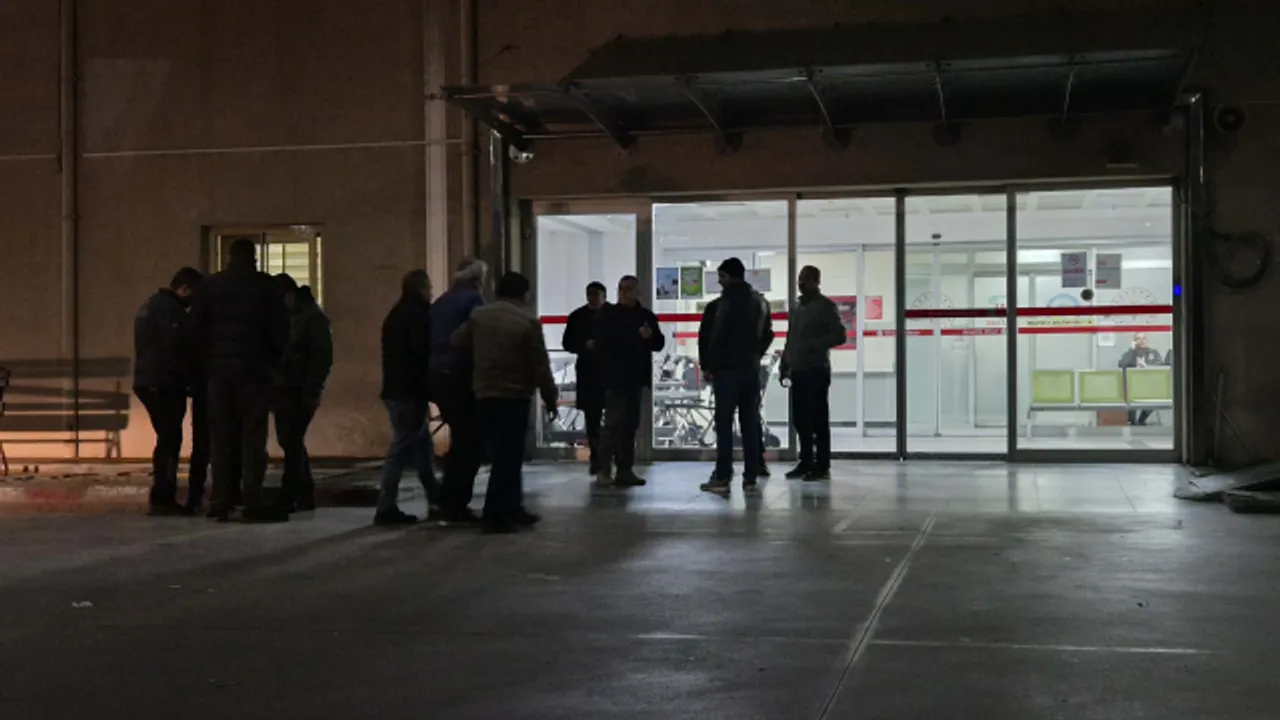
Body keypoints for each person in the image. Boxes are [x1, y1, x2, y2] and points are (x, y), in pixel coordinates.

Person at [189, 238, 290, 523]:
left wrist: (207, 364)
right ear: (253, 257)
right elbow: (281, 330)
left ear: (229, 256)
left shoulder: (210, 286)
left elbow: (195, 330)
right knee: (253, 437)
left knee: (221, 438)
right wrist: (272, 364)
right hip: (254, 371)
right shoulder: (266, 286)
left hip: (219, 373)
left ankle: (220, 501)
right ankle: (252, 499)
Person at [452, 271, 558, 534]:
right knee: (509, 457)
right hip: (514, 394)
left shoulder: (479, 316)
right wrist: (550, 398)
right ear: (524, 294)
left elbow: (457, 341)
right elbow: (540, 366)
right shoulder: (527, 322)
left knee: (501, 454)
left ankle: (512, 507)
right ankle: (497, 514)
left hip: (484, 392)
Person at [697, 258, 775, 495]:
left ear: (729, 276)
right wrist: (756, 355)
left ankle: (723, 475)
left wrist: (708, 366)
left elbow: (711, 338)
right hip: (750, 369)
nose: (720, 282)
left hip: (726, 370)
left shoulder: (719, 306)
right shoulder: (761, 302)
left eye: (721, 276)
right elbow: (768, 334)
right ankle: (750, 475)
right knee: (749, 423)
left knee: (724, 423)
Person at [374, 269, 443, 526]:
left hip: (396, 390)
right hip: (409, 392)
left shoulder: (396, 314)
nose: (431, 293)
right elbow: (421, 354)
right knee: (402, 448)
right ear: (420, 289)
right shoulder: (417, 316)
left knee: (422, 448)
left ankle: (435, 499)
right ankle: (386, 506)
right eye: (429, 288)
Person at [133, 267, 203, 516]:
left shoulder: (151, 304)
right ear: (184, 289)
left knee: (166, 437)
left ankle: (162, 496)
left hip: (148, 380)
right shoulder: (170, 310)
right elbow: (175, 348)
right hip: (164, 382)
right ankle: (163, 497)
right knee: (169, 439)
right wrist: (189, 377)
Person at [429, 257, 487, 526]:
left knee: (461, 438)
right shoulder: (473, 301)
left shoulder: (442, 302)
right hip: (459, 376)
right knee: (471, 442)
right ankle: (455, 504)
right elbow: (479, 336)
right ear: (477, 280)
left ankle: (447, 500)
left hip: (437, 377)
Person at [595, 275, 665, 488]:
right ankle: (604, 469)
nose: (623, 293)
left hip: (635, 378)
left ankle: (625, 469)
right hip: (615, 378)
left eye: (628, 289)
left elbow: (659, 343)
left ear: (637, 292)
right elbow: (602, 343)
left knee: (630, 426)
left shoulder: (645, 317)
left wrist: (648, 337)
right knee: (612, 425)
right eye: (621, 289)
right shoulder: (609, 315)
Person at [271, 276, 333, 513]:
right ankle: (304, 494)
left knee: (292, 440)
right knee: (291, 441)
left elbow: (321, 357)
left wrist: (312, 389)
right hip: (288, 387)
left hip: (297, 388)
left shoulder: (311, 317)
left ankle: (290, 496)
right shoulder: (298, 316)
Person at [779, 265, 846, 481]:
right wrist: (785, 363)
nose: (801, 283)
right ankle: (806, 460)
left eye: (806, 279)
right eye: (800, 278)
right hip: (797, 369)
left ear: (817, 281)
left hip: (816, 369)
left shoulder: (826, 306)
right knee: (800, 419)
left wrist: (813, 346)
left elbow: (839, 335)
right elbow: (791, 337)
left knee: (818, 419)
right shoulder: (796, 307)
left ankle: (822, 464)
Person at [562, 281, 609, 474]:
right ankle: (597, 457)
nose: (592, 298)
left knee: (612, 417)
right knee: (592, 417)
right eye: (589, 294)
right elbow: (567, 343)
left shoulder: (613, 315)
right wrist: (584, 345)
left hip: (609, 371)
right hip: (589, 372)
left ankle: (607, 456)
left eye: (595, 294)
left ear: (604, 296)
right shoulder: (578, 317)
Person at [1119, 332, 1165, 426]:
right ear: (1135, 341)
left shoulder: (1153, 353)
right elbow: (1122, 364)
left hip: (1150, 385)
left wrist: (1147, 367)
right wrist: (1132, 350)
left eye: (1143, 338)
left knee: (1155, 395)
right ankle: (1132, 421)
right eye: (1138, 339)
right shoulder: (1130, 353)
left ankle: (1141, 420)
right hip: (1132, 386)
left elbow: (1160, 366)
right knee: (1129, 394)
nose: (1142, 341)